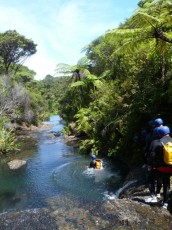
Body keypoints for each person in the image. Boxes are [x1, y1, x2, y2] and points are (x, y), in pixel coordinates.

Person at [148, 126, 172, 208]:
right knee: (167, 185)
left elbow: (152, 156)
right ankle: (165, 203)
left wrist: (151, 166)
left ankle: (154, 196)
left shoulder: (156, 142)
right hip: (170, 169)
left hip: (159, 169)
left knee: (151, 179)